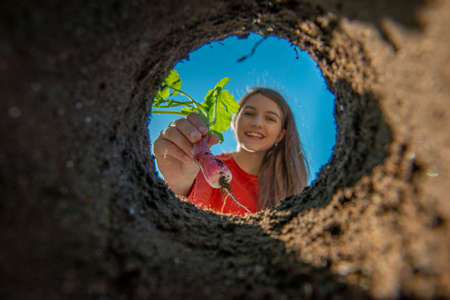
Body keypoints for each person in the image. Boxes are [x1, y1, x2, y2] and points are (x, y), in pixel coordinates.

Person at [153, 87, 308, 216]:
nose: (257, 123)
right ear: (234, 122)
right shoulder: (202, 170)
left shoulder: (287, 186)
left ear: (281, 134)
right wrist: (179, 186)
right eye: (249, 113)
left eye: (270, 118)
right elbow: (183, 218)